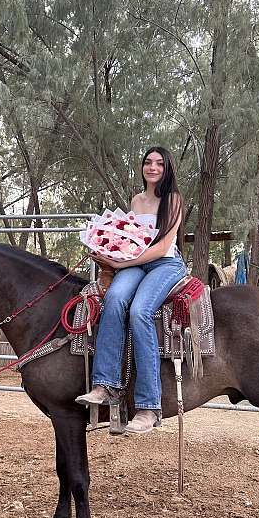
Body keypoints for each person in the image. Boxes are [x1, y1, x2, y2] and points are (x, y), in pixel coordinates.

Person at [76, 146, 187, 434]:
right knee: (113, 299)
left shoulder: (172, 199)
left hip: (165, 264)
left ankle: (149, 406)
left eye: (159, 163)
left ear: (167, 168)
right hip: (135, 263)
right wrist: (108, 254)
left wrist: (125, 262)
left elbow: (162, 247)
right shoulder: (136, 201)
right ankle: (105, 385)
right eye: (148, 163)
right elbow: (131, 239)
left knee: (140, 311)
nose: (152, 168)